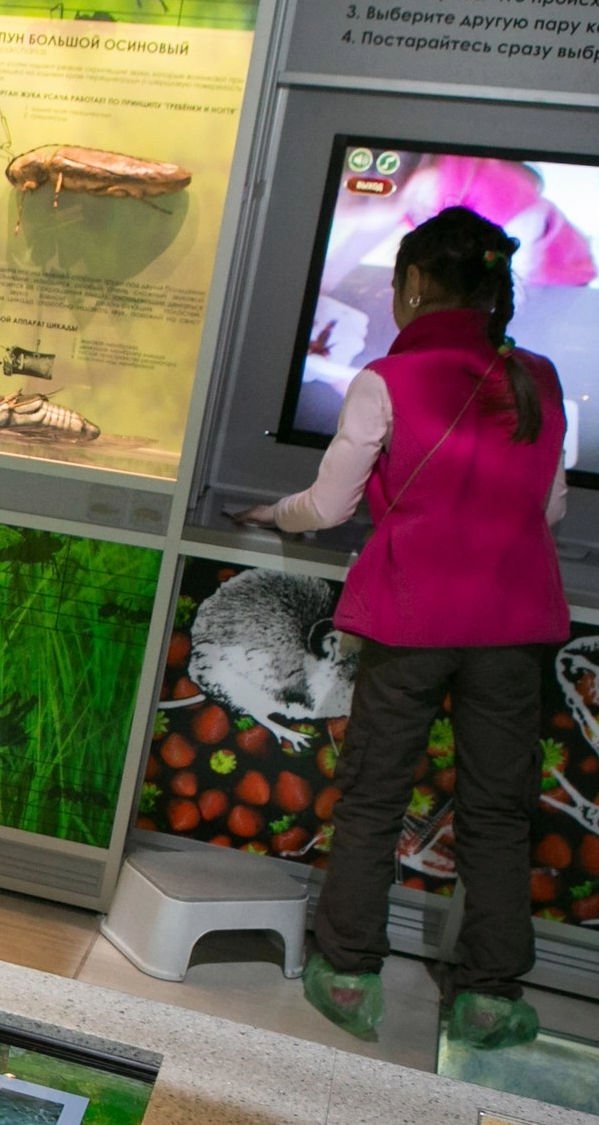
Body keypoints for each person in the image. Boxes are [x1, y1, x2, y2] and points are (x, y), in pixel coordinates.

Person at [235, 206, 569, 1048]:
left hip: (413, 616)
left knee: (376, 793)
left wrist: (270, 512)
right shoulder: (541, 378)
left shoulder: (386, 379)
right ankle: (490, 994)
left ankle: (348, 973)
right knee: (498, 810)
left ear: (415, 285)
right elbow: (551, 507)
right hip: (516, 621)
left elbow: (326, 507)